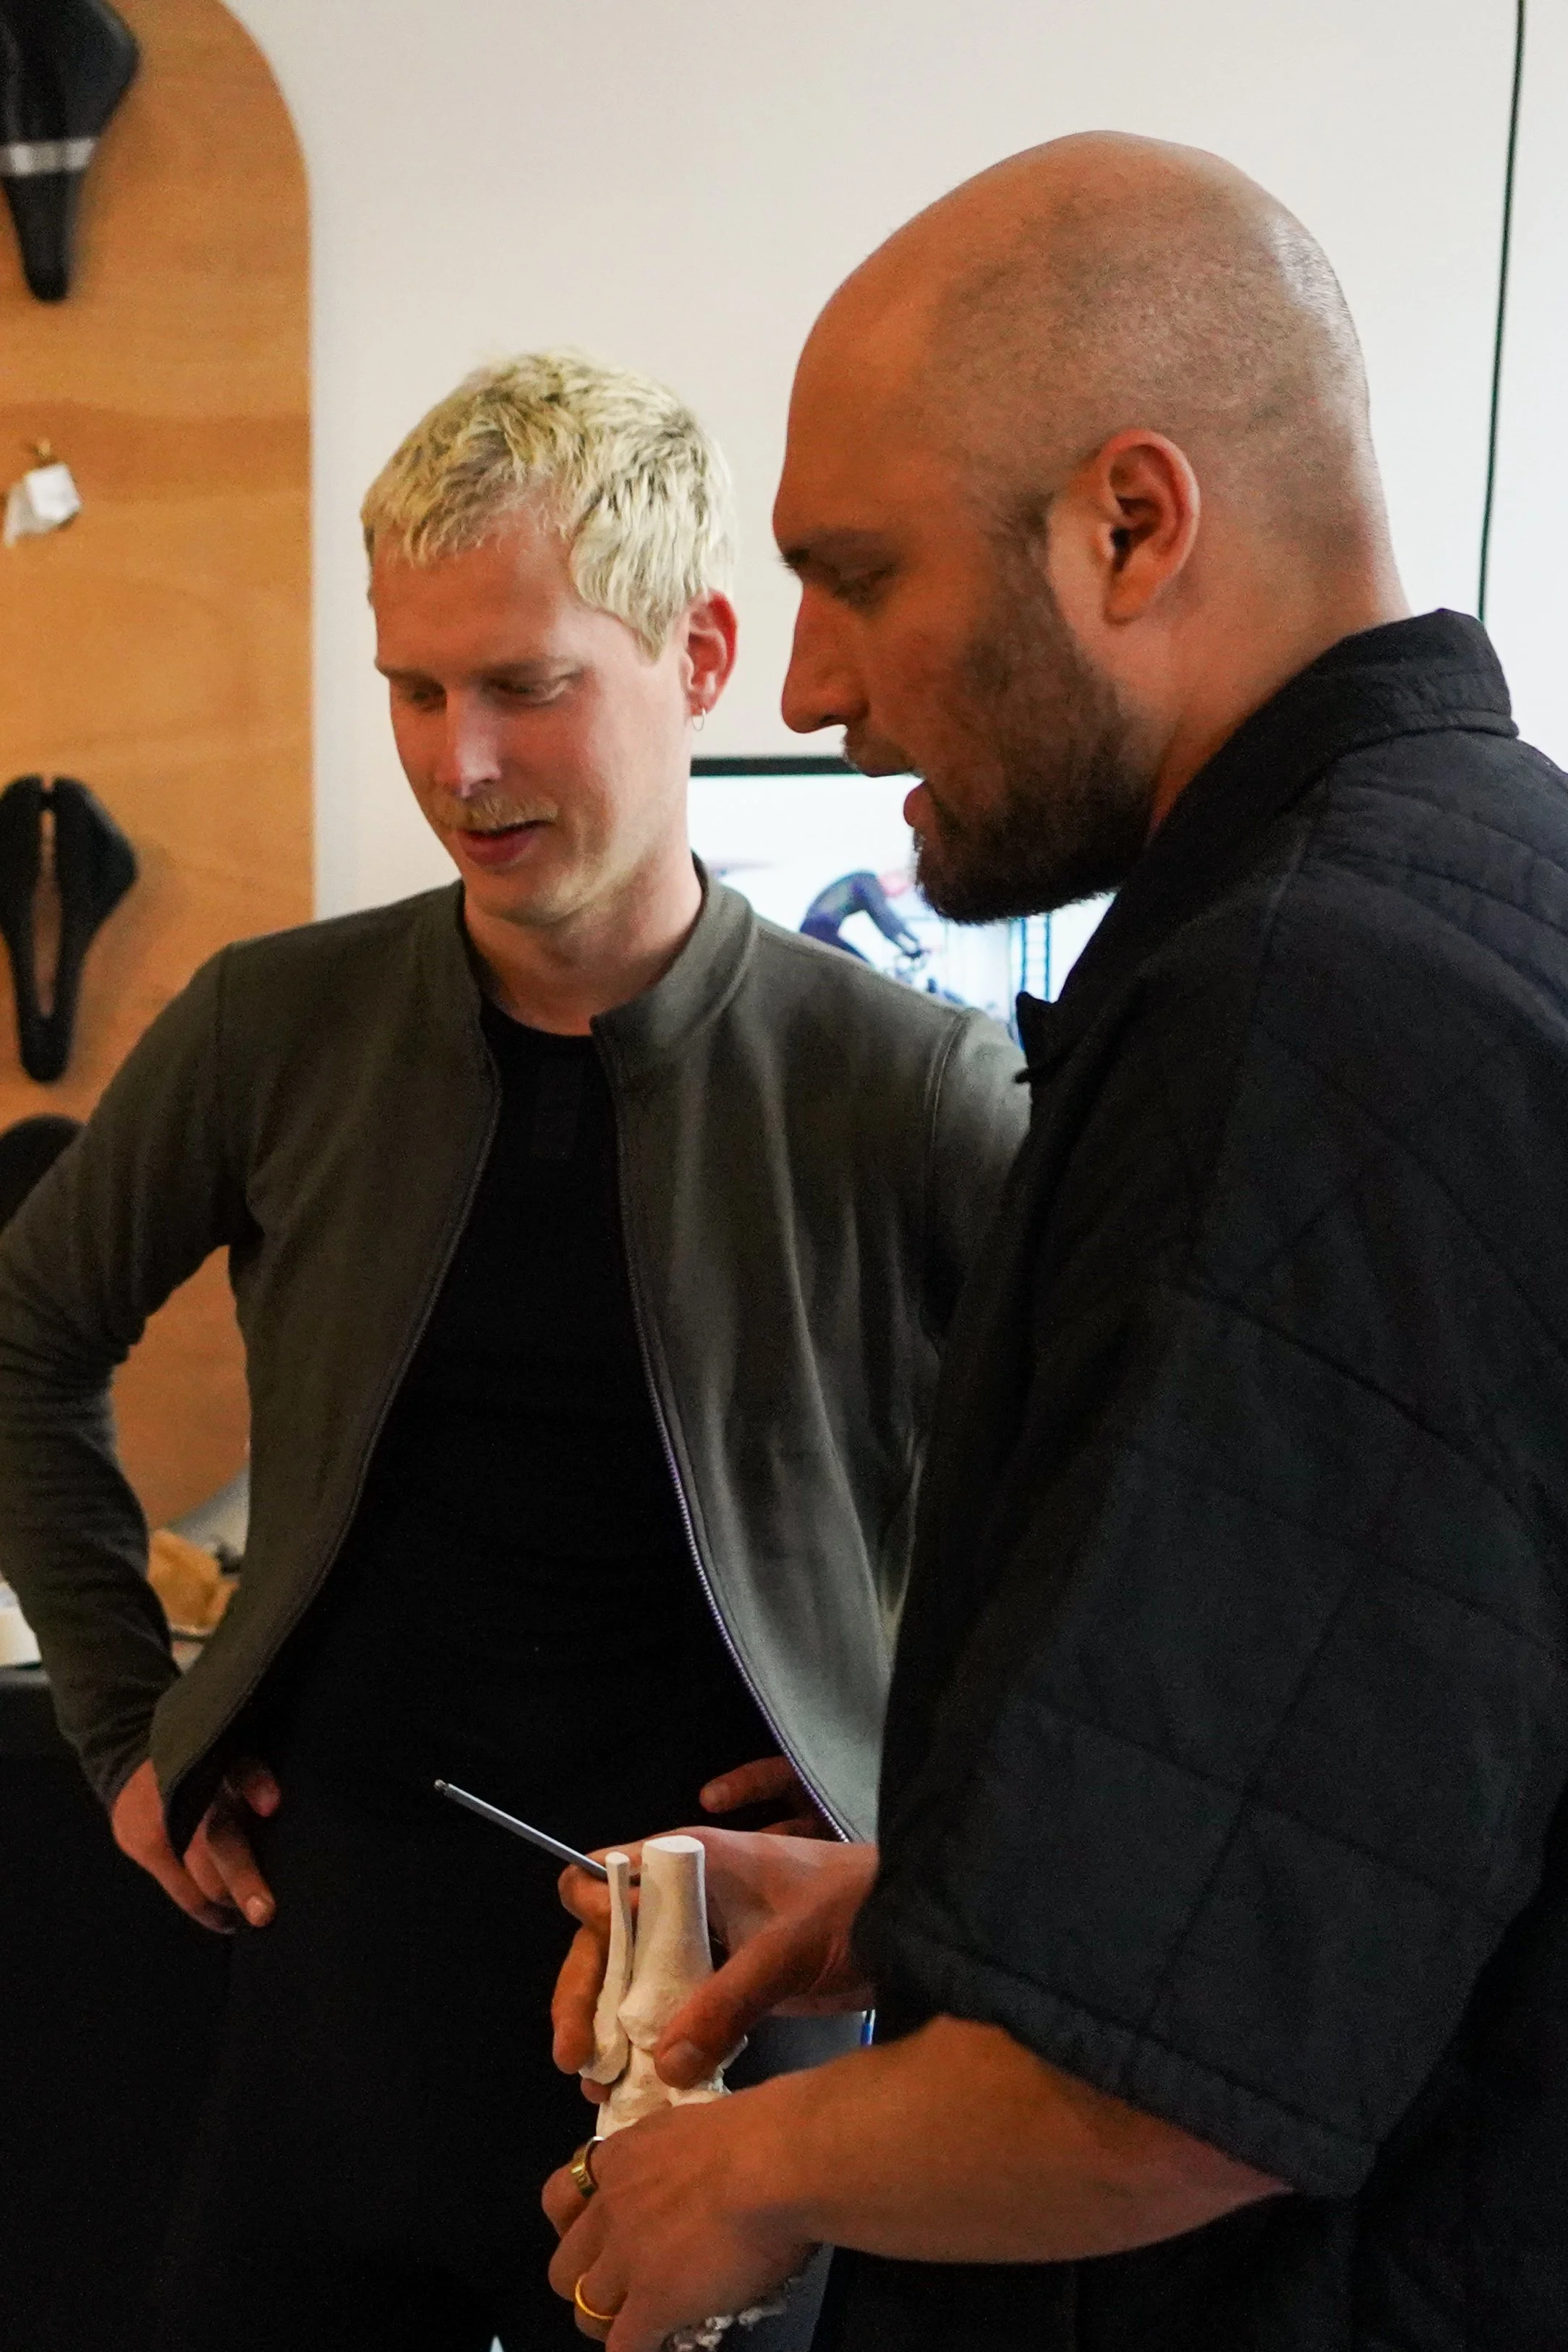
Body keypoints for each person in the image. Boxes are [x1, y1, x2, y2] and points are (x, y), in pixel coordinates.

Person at [543, 136, 1568, 2352]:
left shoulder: (1311, 1016)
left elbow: (1190, 2084)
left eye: (857, 572)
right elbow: (1393, 1771)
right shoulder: (1485, 882)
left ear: (1131, 522)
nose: (806, 690)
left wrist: (746, 2165)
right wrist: (932, 1911)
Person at [0, 351, 1026, 2350]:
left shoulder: (907, 1085)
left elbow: (1106, 1503)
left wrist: (922, 1817)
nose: (460, 760)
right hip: (342, 1972)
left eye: (528, 683)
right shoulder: (271, 1027)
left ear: (700, 649)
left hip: (740, 1995)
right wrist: (125, 1722)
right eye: (414, 687)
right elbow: (25, 1326)